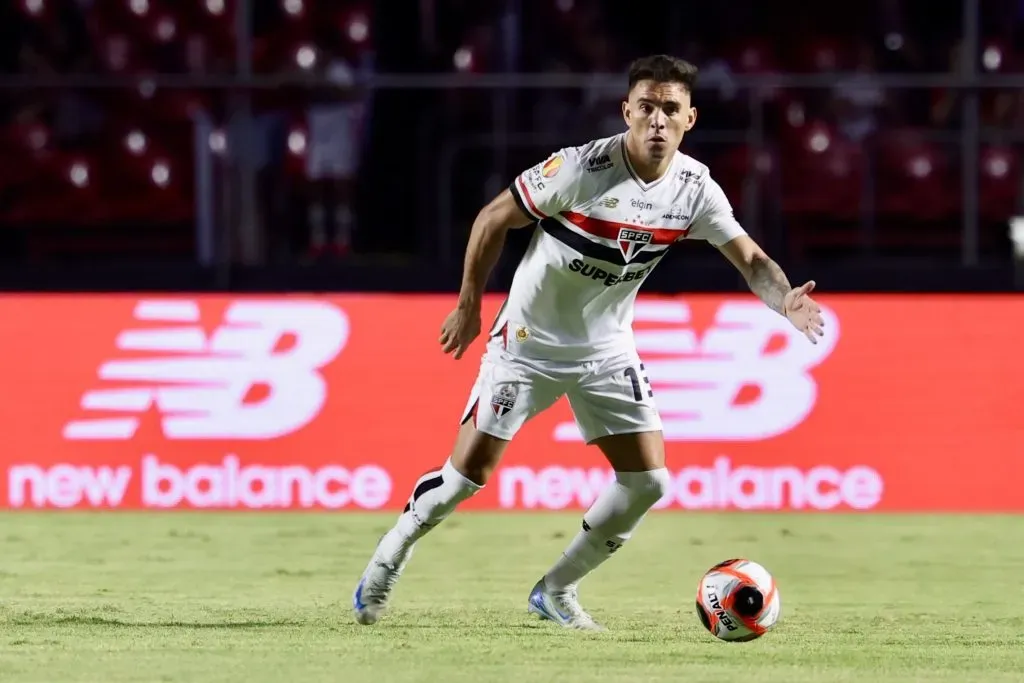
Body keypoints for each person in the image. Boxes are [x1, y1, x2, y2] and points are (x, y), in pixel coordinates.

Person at [352, 54, 825, 631]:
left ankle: (556, 590)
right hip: (527, 344)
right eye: (645, 107)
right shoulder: (579, 169)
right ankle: (388, 557)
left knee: (648, 482)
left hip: (606, 351)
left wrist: (785, 300)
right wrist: (470, 304)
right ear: (626, 111)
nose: (656, 120)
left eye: (669, 109)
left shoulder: (695, 189)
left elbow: (750, 260)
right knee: (464, 479)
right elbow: (492, 218)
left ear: (690, 118)